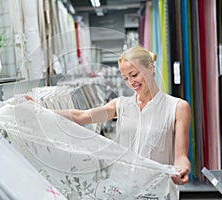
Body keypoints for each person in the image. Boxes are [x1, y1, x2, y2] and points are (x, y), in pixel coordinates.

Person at [33, 45, 191, 185]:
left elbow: (181, 156)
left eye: (134, 75)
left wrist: (182, 169)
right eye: (125, 78)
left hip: (159, 189)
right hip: (124, 188)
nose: (131, 82)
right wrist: (40, 110)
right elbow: (82, 117)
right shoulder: (120, 105)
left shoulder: (177, 107)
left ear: (150, 68)